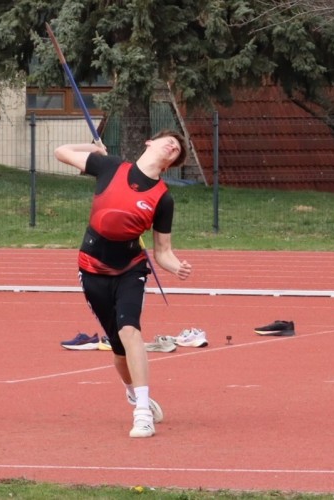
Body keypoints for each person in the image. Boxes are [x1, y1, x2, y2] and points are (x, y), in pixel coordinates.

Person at [54, 130, 193, 438]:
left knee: (130, 331)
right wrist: (93, 148)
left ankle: (142, 412)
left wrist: (176, 267)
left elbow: (163, 251)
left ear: (170, 164)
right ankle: (132, 392)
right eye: (169, 140)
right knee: (118, 347)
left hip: (130, 269)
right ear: (149, 142)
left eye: (177, 149)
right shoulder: (110, 166)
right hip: (92, 267)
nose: (173, 145)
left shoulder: (163, 198)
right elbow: (61, 151)